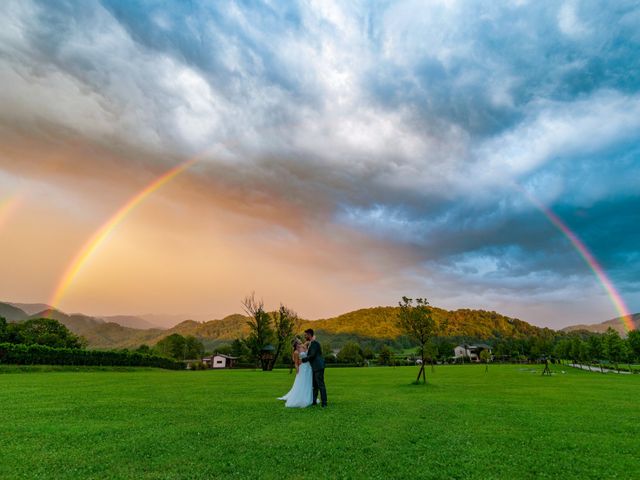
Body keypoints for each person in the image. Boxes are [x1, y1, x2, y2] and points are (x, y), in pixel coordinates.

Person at [278, 338, 313, 408]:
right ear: (296, 343)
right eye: (299, 341)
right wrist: (297, 369)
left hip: (308, 368)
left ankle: (309, 397)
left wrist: (310, 341)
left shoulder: (304, 347)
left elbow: (308, 344)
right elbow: (296, 363)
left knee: (308, 382)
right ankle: (302, 398)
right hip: (303, 368)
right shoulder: (296, 352)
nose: (300, 341)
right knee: (302, 383)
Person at [300, 328, 327, 407]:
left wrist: (303, 360)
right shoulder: (311, 343)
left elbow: (312, 355)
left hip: (318, 366)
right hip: (314, 367)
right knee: (314, 385)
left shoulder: (315, 344)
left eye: (305, 335)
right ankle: (314, 401)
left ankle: (324, 402)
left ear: (309, 335)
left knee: (320, 384)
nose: (305, 336)